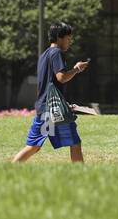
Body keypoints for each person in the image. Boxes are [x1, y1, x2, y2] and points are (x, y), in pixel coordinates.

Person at [12, 21, 90, 164]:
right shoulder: (57, 53)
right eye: (68, 38)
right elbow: (62, 77)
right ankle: (82, 175)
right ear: (60, 37)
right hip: (54, 112)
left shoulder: (44, 55)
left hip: (45, 109)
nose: (70, 41)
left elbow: (45, 84)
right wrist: (77, 69)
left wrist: (62, 103)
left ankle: (9, 169)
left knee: (34, 146)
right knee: (75, 143)